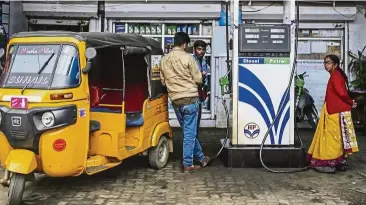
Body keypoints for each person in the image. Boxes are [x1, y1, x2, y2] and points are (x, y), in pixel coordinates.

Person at [160, 32, 210, 172]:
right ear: (184, 44)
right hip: (190, 99)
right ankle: (188, 164)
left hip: (176, 101)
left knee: (189, 131)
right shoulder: (188, 58)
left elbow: (163, 81)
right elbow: (198, 79)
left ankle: (201, 157)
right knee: (189, 133)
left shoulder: (164, 60)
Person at [307, 54, 359, 173]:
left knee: (331, 137)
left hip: (334, 111)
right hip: (336, 110)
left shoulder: (335, 76)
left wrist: (350, 102)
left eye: (329, 62)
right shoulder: (337, 75)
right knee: (338, 137)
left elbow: (341, 93)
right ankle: (339, 161)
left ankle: (327, 162)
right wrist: (350, 103)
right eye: (325, 63)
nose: (326, 65)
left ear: (335, 64)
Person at [192, 40, 210, 134]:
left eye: (203, 49)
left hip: (200, 92)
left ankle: (195, 140)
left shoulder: (203, 60)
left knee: (198, 118)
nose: (201, 52)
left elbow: (205, 76)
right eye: (199, 49)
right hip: (192, 92)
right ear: (194, 50)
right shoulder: (191, 60)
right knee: (193, 120)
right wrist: (201, 75)